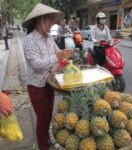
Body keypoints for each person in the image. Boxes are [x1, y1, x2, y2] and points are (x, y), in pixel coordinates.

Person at [22, 3, 74, 150]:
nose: (52, 24)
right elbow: (38, 65)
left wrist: (66, 54)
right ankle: (43, 146)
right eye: (49, 21)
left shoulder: (48, 38)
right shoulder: (29, 40)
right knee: (43, 119)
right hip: (36, 86)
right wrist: (56, 57)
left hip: (49, 83)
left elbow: (58, 52)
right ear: (40, 21)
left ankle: (46, 139)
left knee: (48, 115)